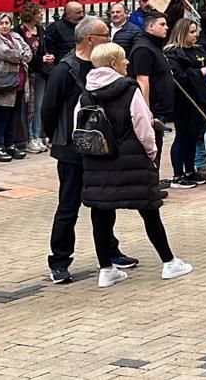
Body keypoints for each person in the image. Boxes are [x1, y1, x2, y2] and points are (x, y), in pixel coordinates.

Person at [78, 43, 193, 288]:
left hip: (98, 162)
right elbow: (144, 127)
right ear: (113, 64)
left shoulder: (85, 94)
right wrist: (151, 155)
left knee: (101, 213)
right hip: (132, 160)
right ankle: (169, 262)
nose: (127, 63)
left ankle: (106, 270)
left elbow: (77, 129)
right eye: (123, 59)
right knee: (149, 211)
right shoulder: (130, 91)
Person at [42, 16, 137, 284]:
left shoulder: (103, 64)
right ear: (90, 39)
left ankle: (109, 251)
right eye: (105, 35)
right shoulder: (66, 69)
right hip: (72, 149)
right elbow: (49, 108)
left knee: (105, 202)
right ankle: (59, 261)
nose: (110, 39)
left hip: (101, 148)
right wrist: (57, 136)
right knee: (69, 205)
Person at [164, 16, 206, 189]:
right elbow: (179, 77)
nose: (195, 36)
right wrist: (200, 72)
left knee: (194, 136)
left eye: (196, 32)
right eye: (191, 32)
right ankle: (178, 174)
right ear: (182, 33)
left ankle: (190, 170)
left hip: (199, 97)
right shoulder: (172, 53)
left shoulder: (198, 50)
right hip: (183, 100)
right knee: (182, 135)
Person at [0, 12, 33, 162]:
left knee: (12, 116)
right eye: (1, 23)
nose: (5, 26)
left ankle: (10, 144)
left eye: (7, 23)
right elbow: (8, 54)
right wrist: (21, 54)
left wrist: (22, 54)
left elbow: (29, 53)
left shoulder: (16, 36)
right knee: (1, 116)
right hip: (2, 84)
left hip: (19, 83)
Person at [18, 2, 52, 153]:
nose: (41, 15)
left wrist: (47, 57)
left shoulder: (40, 30)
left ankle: (37, 135)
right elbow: (24, 55)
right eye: (39, 12)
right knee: (29, 107)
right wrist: (40, 59)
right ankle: (29, 137)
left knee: (38, 105)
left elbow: (43, 48)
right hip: (28, 72)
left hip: (41, 72)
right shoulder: (19, 32)